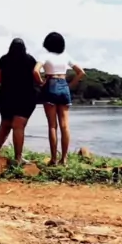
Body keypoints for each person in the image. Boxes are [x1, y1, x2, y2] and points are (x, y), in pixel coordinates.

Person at [38, 31, 85, 166]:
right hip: (64, 86)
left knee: (52, 126)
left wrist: (41, 82)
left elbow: (35, 70)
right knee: (65, 126)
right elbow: (81, 72)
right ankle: (64, 159)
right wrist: (69, 86)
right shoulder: (66, 56)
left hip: (50, 85)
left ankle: (53, 159)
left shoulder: (45, 56)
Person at [0, 38, 42, 163]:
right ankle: (18, 158)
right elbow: (36, 76)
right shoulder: (30, 60)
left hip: (6, 96)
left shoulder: (3, 59)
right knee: (18, 126)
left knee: (5, 124)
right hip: (25, 97)